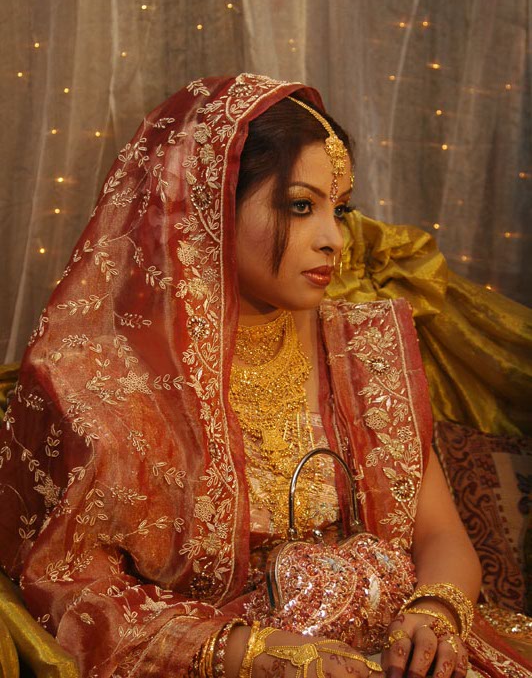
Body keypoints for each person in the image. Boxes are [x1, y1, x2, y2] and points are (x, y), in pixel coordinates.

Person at [0, 74, 528, 678]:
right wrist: (249, 655)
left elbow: (441, 535)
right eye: (300, 206)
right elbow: (72, 596)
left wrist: (435, 614)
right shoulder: (100, 385)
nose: (333, 240)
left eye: (339, 209)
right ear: (208, 207)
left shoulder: (361, 350)